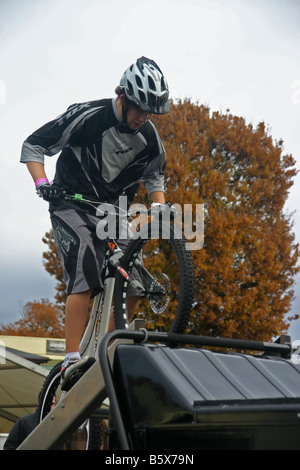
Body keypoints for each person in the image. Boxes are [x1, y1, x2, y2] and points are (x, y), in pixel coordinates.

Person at [20, 57, 170, 388]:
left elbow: (155, 175)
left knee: (138, 281)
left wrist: (159, 208)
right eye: (140, 109)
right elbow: (33, 145)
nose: (144, 117)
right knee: (85, 268)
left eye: (150, 113)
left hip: (114, 212)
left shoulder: (148, 134)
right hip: (70, 204)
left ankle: (107, 347)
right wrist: (42, 183)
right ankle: (72, 359)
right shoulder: (87, 116)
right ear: (124, 96)